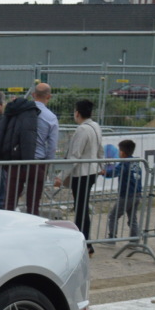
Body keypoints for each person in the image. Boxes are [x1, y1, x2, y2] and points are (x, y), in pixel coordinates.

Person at [0, 82, 57, 215]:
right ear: (49, 97)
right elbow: (52, 146)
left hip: (17, 161)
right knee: (33, 203)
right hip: (37, 163)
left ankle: (7, 228)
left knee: (10, 201)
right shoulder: (51, 117)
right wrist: (47, 165)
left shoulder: (19, 111)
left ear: (33, 95)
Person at [55, 98, 102, 254]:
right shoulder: (95, 126)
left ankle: (84, 242)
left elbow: (75, 156)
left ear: (77, 113)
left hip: (82, 174)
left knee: (81, 209)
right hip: (92, 172)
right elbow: (100, 149)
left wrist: (61, 176)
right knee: (82, 207)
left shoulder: (82, 130)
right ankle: (85, 241)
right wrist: (102, 165)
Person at [106, 139, 143, 240]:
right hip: (137, 194)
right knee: (132, 219)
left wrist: (105, 173)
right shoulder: (136, 163)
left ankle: (112, 238)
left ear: (122, 152)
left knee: (113, 216)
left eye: (119, 150)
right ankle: (134, 240)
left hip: (126, 195)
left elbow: (116, 172)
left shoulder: (124, 163)